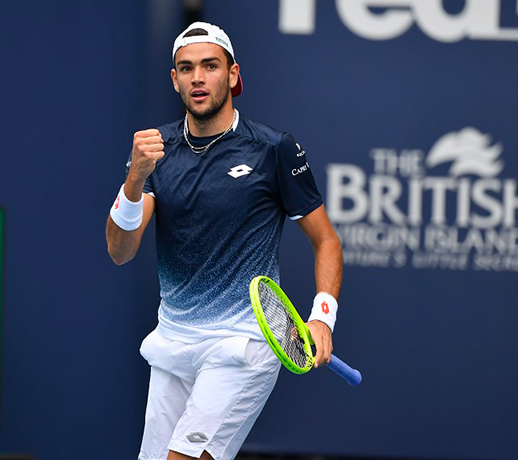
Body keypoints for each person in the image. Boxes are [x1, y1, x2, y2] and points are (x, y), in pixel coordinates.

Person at [106, 22, 343, 460]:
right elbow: (121, 251)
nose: (198, 77)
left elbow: (326, 240)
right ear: (175, 79)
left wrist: (322, 318)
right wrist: (134, 179)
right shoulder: (155, 152)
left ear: (232, 75)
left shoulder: (274, 150)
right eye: (187, 68)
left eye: (210, 66)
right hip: (173, 342)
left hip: (243, 344)